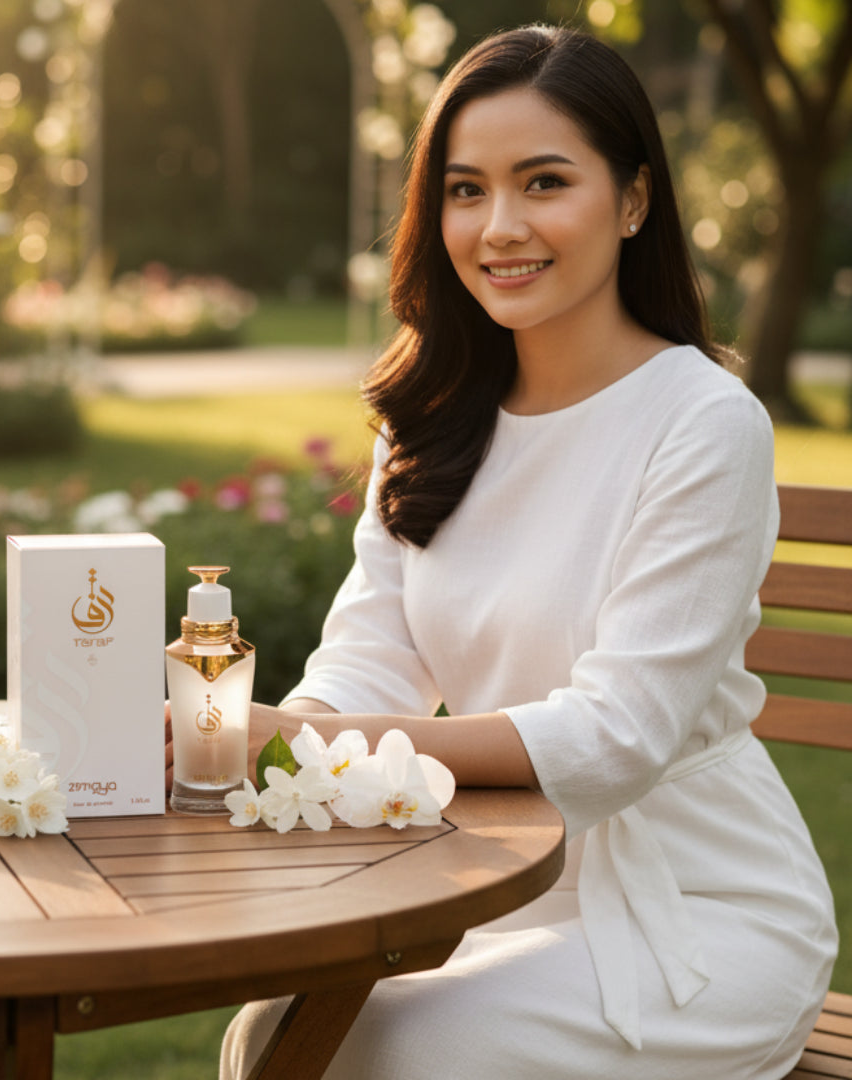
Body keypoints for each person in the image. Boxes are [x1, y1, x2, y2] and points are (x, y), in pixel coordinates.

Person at [217, 23, 837, 1080]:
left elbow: (615, 737)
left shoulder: (702, 421)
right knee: (273, 1029)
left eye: (543, 182)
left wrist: (304, 740)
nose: (499, 227)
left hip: (694, 914)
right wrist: (268, 742)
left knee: (391, 1051)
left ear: (634, 201)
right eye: (466, 190)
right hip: (479, 892)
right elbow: (368, 658)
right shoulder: (434, 415)